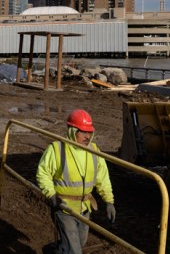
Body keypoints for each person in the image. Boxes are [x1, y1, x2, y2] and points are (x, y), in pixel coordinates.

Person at [36, 109, 115, 254]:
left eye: (89, 132)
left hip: (85, 207)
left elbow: (103, 177)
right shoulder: (57, 149)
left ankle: (55, 250)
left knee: (80, 242)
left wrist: (109, 201)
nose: (87, 136)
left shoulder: (94, 151)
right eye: (83, 132)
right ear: (72, 131)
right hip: (64, 207)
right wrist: (52, 196)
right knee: (74, 250)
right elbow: (43, 173)